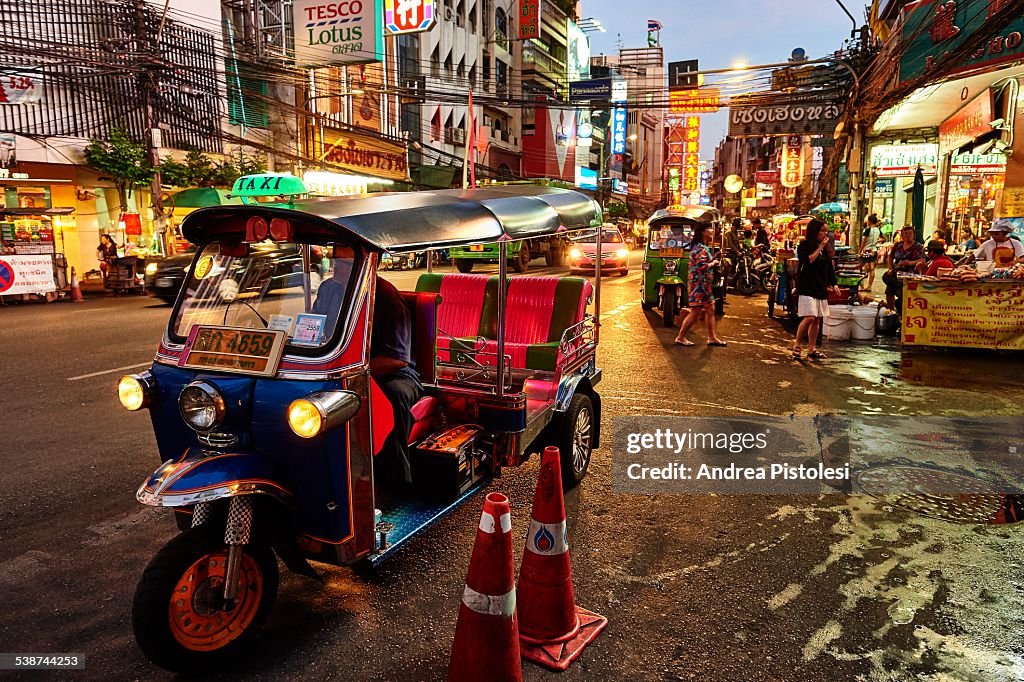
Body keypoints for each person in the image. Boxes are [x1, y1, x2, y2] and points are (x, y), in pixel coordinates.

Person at [313, 252, 423, 487]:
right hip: (338, 368)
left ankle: (396, 478)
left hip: (389, 374)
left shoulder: (386, 296)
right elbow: (313, 327)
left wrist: (354, 372)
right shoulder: (327, 289)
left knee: (393, 396)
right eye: (336, 263)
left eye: (345, 264)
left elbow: (397, 358)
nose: (338, 269)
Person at [792, 218, 839, 361]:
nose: (825, 233)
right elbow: (809, 260)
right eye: (822, 230)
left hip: (820, 286)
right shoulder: (804, 246)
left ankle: (811, 348)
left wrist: (834, 283)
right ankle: (797, 344)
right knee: (809, 316)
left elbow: (829, 268)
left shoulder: (826, 249)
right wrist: (820, 247)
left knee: (817, 319)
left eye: (826, 231)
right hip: (807, 286)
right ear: (815, 231)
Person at [674, 223, 726, 347]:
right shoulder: (700, 248)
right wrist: (713, 263)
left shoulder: (702, 247)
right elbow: (701, 266)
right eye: (709, 229)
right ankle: (680, 337)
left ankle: (712, 337)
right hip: (699, 286)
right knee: (696, 311)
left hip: (704, 285)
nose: (712, 231)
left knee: (710, 309)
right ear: (703, 232)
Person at [883, 225, 925, 311]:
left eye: (910, 233)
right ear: (902, 235)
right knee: (889, 293)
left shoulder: (919, 247)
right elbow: (890, 257)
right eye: (906, 233)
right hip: (895, 274)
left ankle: (902, 313)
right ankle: (891, 311)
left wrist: (910, 263)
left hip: (909, 276)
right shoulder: (898, 245)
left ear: (914, 234)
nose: (908, 235)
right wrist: (890, 268)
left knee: (903, 295)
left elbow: (923, 260)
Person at [859, 214, 882, 290]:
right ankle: (869, 286)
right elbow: (884, 238)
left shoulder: (868, 230)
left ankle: (861, 285)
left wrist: (860, 250)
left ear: (869, 221)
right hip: (874, 250)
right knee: (872, 269)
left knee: (860, 267)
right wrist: (876, 241)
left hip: (866, 251)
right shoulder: (878, 230)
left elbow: (864, 241)